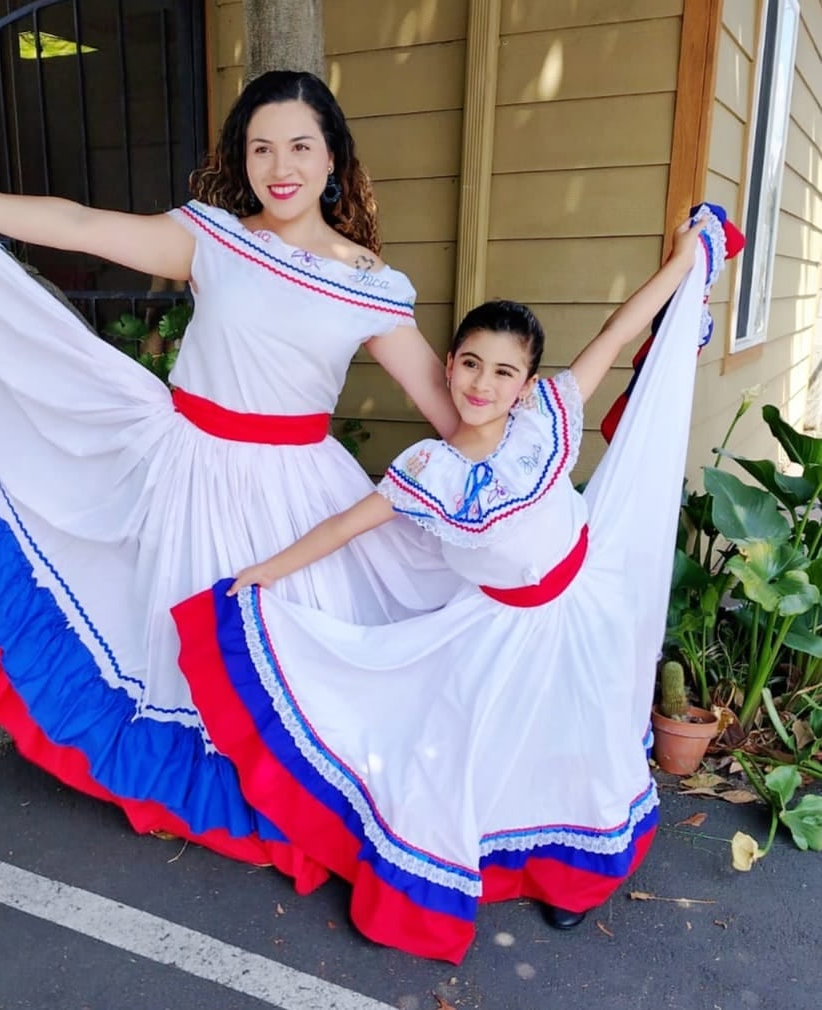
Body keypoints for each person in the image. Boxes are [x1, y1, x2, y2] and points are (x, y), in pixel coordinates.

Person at [0, 71, 466, 881]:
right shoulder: (214, 238)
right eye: (260, 145)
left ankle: (275, 784)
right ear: (242, 155)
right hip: (189, 462)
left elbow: (449, 415)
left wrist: (533, 443)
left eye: (300, 146)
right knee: (169, 629)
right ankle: (182, 781)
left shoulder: (370, 284)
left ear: (332, 157)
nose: (281, 165)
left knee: (289, 660)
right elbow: (82, 224)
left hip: (296, 492)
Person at [171, 209, 737, 962]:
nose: (483, 382)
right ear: (446, 364)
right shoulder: (425, 471)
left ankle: (577, 879)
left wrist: (685, 259)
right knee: (477, 750)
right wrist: (263, 572)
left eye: (504, 371)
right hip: (502, 628)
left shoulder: (548, 414)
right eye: (470, 363)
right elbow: (343, 526)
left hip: (585, 603)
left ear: (524, 382)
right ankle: (494, 858)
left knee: (585, 739)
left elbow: (620, 326)